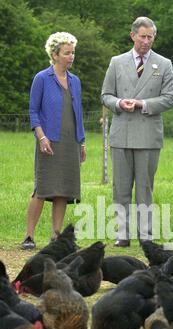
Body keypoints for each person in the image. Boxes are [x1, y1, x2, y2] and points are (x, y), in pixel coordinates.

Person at [101, 17, 173, 247]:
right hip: (121, 134)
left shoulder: (164, 64)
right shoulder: (116, 62)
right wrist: (120, 102)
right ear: (132, 35)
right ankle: (122, 234)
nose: (146, 41)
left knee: (145, 188)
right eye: (142, 36)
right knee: (121, 187)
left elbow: (170, 98)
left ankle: (146, 235)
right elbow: (105, 95)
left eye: (150, 37)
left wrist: (143, 104)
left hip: (148, 136)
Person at [21, 31, 86, 250]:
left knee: (64, 191)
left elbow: (78, 112)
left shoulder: (75, 81)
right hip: (48, 141)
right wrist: (41, 136)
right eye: (67, 53)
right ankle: (29, 236)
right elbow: (33, 111)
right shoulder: (42, 78)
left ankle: (56, 237)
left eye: (73, 53)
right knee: (43, 188)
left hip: (70, 143)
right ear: (55, 54)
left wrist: (82, 142)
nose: (71, 57)